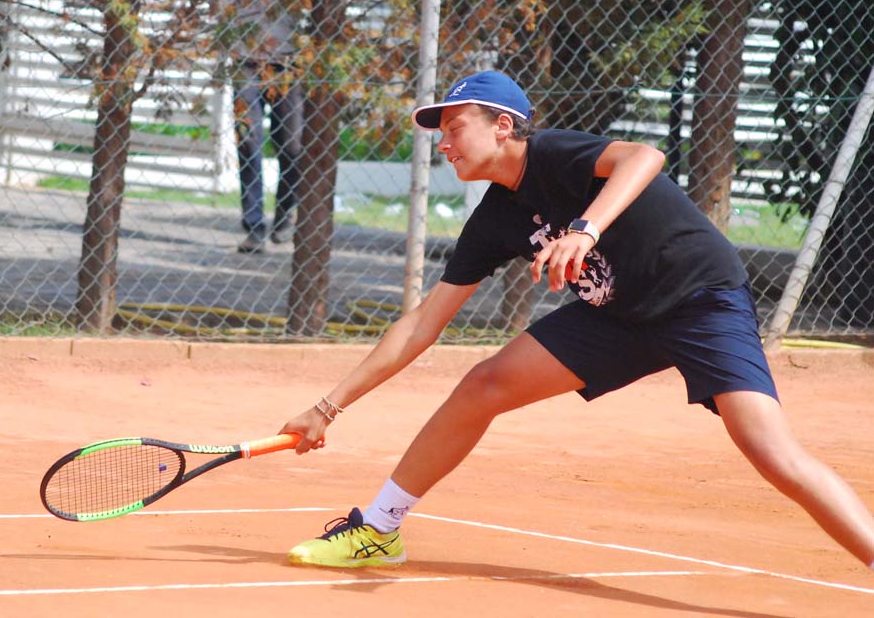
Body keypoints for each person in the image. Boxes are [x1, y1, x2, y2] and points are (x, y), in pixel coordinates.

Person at [279, 70, 874, 571]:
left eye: (455, 128)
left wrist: (585, 230)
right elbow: (421, 324)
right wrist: (327, 407)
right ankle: (379, 529)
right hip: (617, 317)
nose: (444, 144)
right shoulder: (492, 220)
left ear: (503, 125)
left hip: (700, 299)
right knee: (483, 385)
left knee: (770, 450)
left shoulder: (553, 154)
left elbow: (645, 156)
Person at [230, 1, 304, 254]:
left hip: (289, 60)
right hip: (246, 60)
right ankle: (254, 227)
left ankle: (284, 215)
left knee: (293, 146)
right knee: (248, 142)